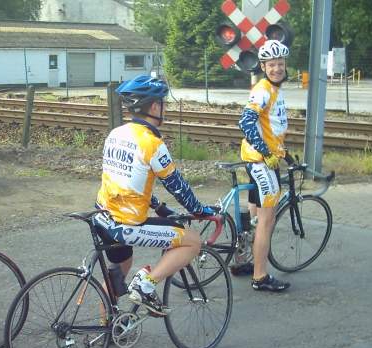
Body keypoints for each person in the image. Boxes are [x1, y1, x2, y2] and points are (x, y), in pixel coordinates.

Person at [95, 75, 216, 316]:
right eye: (163, 103)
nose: (164, 108)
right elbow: (177, 186)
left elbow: (129, 182)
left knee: (121, 266)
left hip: (102, 216)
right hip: (126, 225)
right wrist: (200, 211)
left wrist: (159, 207)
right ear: (153, 106)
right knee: (192, 241)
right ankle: (146, 284)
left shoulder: (116, 133)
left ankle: (106, 322)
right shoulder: (151, 142)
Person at [237, 39, 292, 292]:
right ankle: (260, 276)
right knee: (267, 219)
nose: (277, 68)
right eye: (272, 65)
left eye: (280, 64)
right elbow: (246, 123)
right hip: (261, 161)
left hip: (265, 158)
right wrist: (266, 152)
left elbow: (270, 127)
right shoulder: (263, 89)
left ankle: (243, 259)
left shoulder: (274, 89)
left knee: (256, 212)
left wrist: (282, 151)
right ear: (263, 66)